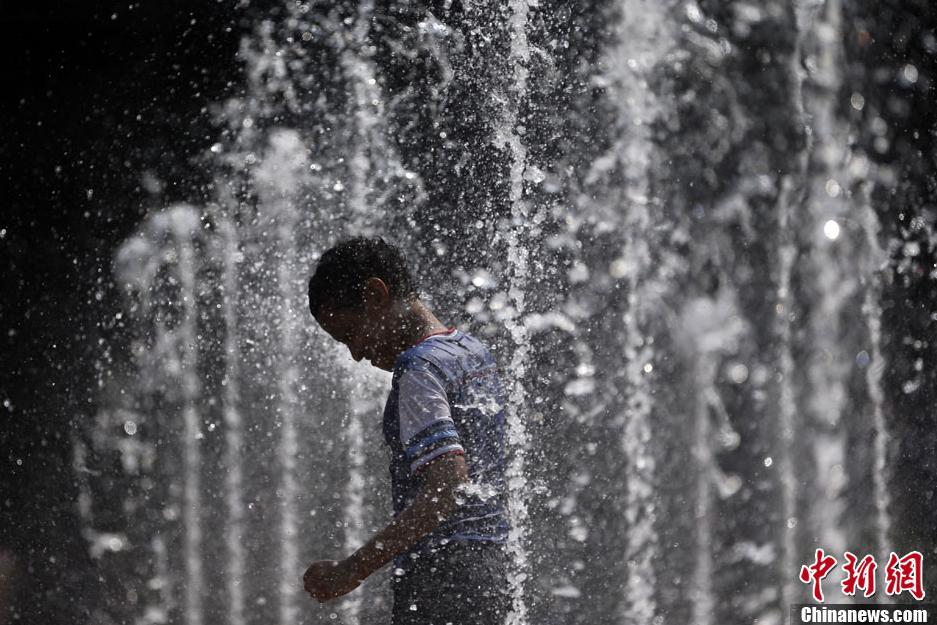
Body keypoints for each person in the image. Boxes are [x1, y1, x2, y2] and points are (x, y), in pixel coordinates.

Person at [303, 236, 512, 625]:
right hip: (492, 571)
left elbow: (447, 484)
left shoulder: (419, 370)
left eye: (350, 334)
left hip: (443, 578)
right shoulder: (472, 352)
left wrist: (352, 569)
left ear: (375, 295)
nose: (356, 353)